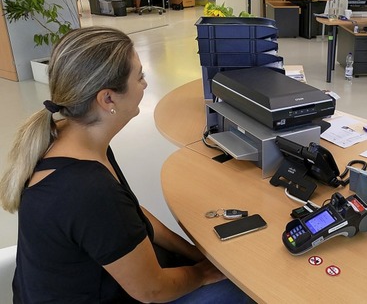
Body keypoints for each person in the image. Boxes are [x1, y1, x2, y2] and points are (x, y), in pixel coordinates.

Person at [0, 27, 250, 303]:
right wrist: (202, 273)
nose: (145, 84)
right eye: (140, 76)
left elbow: (133, 216)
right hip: (124, 291)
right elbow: (151, 290)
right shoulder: (88, 188)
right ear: (108, 99)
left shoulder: (71, 140)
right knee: (242, 291)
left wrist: (195, 255)